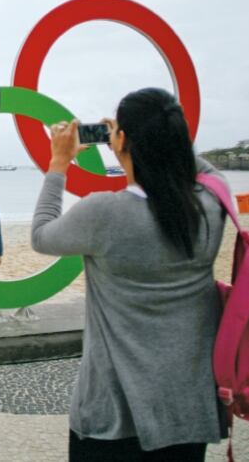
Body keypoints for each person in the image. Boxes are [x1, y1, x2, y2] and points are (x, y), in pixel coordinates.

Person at [31, 88, 227, 461]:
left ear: (122, 139)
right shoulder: (209, 205)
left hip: (113, 416)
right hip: (187, 411)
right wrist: (141, 141)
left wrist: (59, 162)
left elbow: (42, 234)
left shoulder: (105, 214)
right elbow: (201, 168)